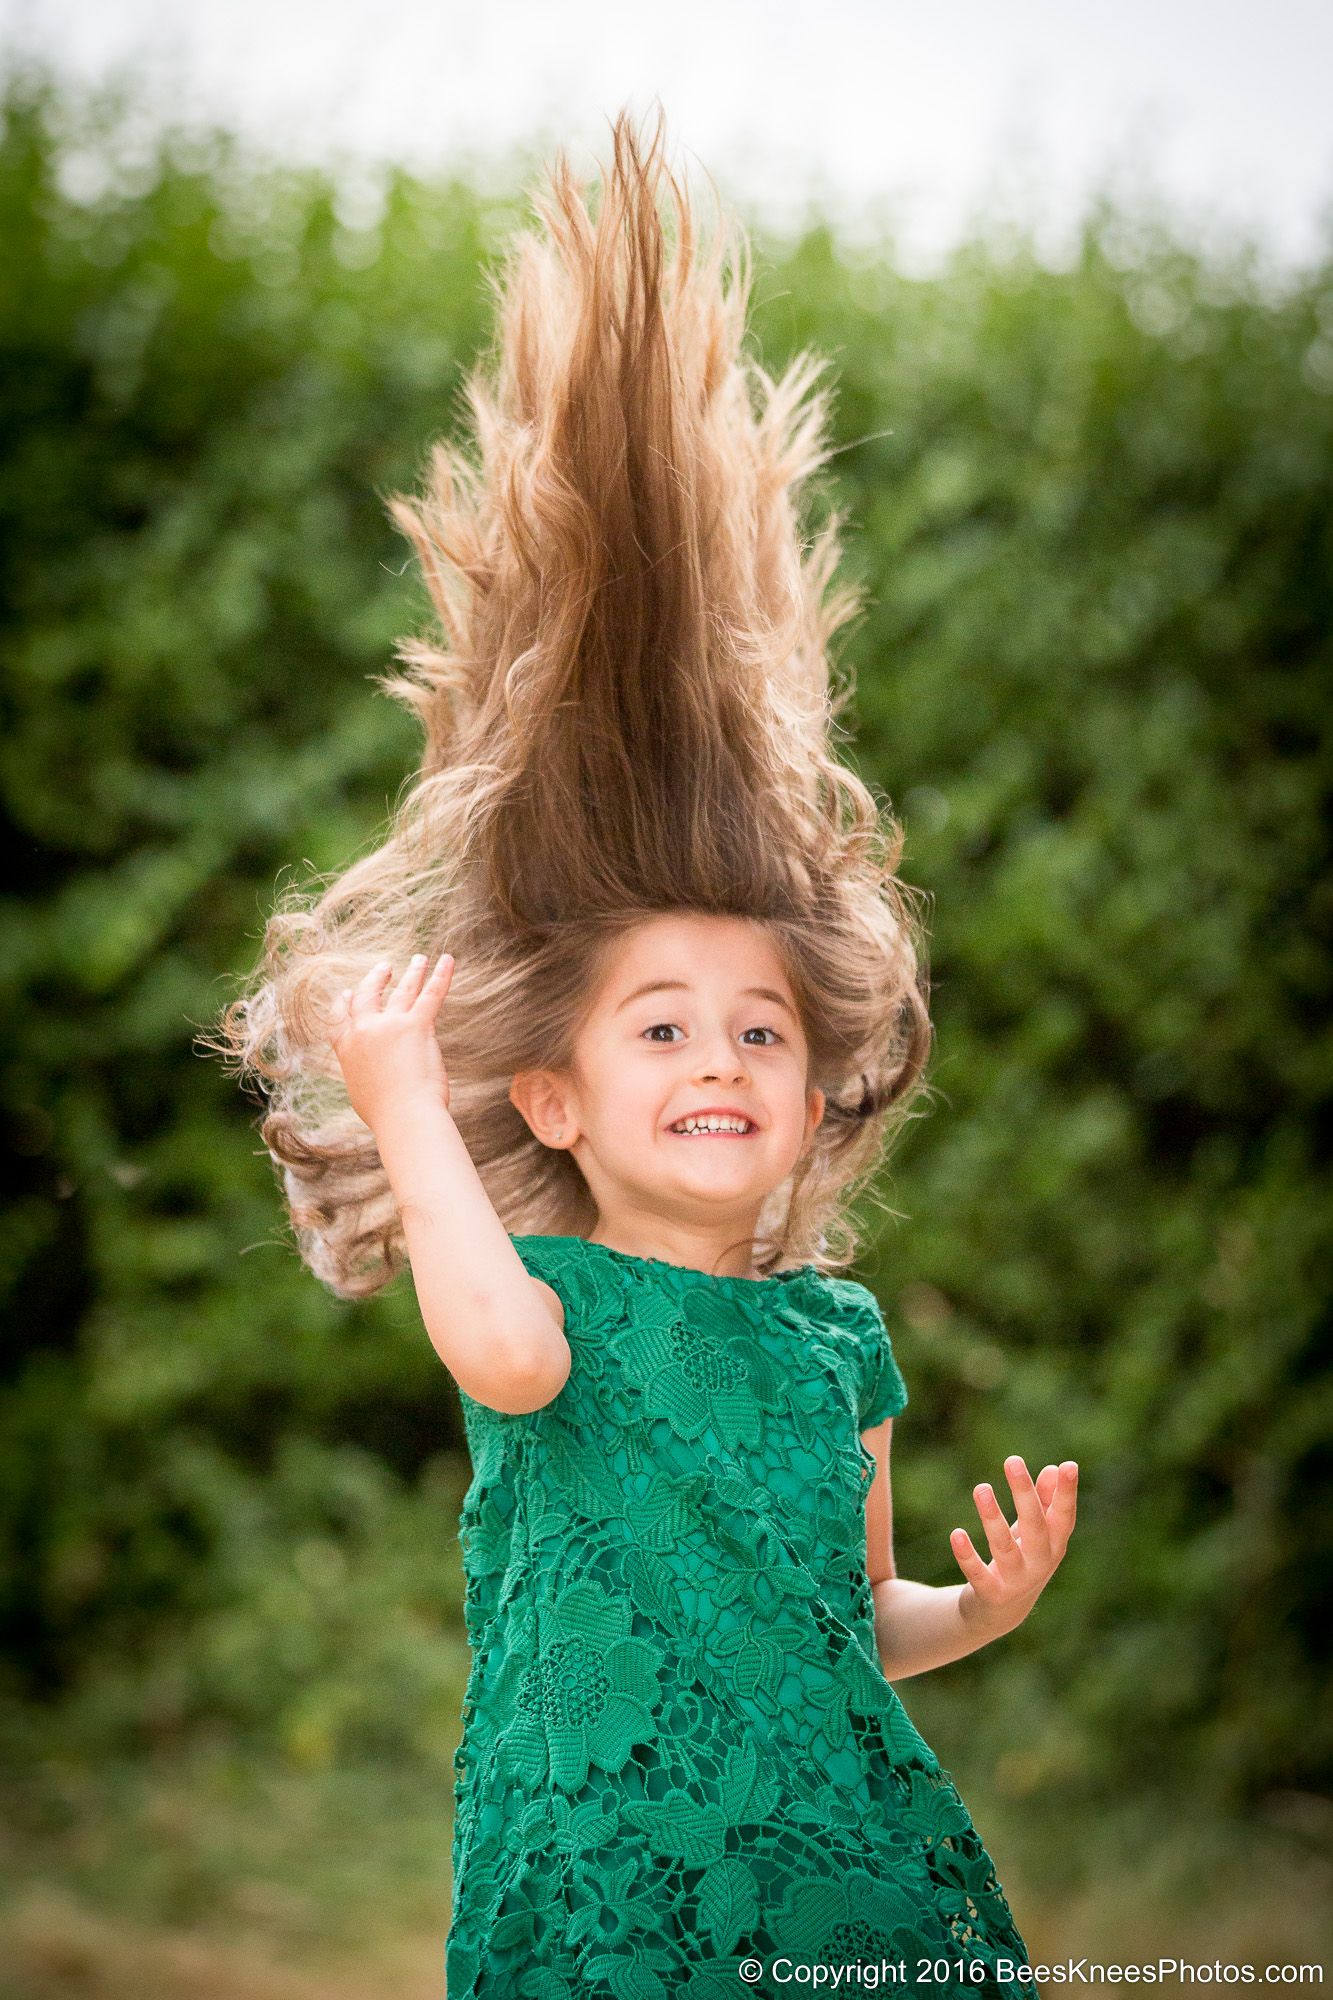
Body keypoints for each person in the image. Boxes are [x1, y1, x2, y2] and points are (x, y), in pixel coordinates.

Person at [214, 104, 1077, 1998]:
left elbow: (845, 1620)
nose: (721, 1057)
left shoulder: (831, 1342)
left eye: (760, 1030)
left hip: (840, 1865)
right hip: (607, 1878)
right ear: (554, 1097)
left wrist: (975, 1607)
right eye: (665, 1027)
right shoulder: (546, 1302)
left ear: (809, 1091)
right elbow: (503, 1358)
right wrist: (397, 1110)